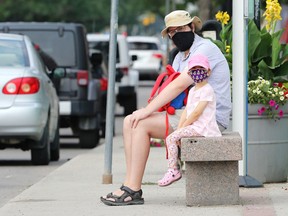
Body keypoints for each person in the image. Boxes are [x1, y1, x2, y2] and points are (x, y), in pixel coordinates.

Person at [100, 10, 231, 206]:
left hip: (208, 120)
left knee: (141, 124)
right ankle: (130, 184)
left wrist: (147, 110)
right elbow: (173, 89)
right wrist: (147, 110)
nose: (176, 34)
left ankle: (133, 189)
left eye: (181, 29)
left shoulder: (205, 49)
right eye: (172, 31)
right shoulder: (180, 56)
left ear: (192, 27)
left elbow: (178, 85)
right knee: (130, 121)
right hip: (188, 114)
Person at [158, 54, 221, 187]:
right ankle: (174, 166)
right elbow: (186, 112)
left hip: (204, 128)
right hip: (195, 127)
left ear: (208, 71)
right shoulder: (192, 90)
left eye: (201, 69)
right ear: (189, 73)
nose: (197, 72)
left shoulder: (207, 90)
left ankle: (173, 170)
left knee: (170, 138)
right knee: (173, 137)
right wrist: (180, 128)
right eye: (194, 70)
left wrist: (182, 129)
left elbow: (196, 113)